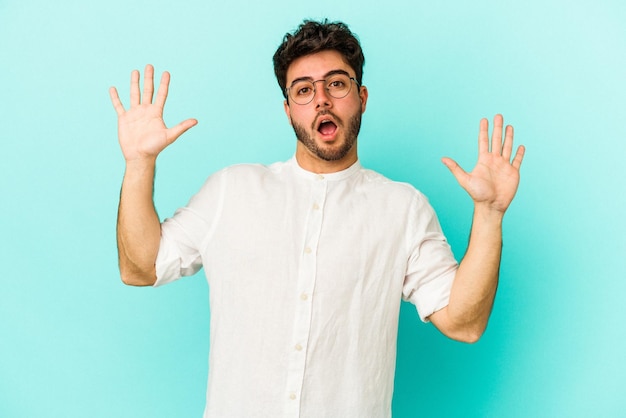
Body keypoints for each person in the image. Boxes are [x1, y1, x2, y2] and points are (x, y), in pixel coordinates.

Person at [109, 19, 524, 418]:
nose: (321, 99)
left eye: (336, 84)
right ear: (288, 110)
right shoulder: (230, 192)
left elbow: (464, 323)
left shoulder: (403, 209)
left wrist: (489, 215)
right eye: (304, 90)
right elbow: (140, 266)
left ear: (361, 97)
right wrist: (139, 163)